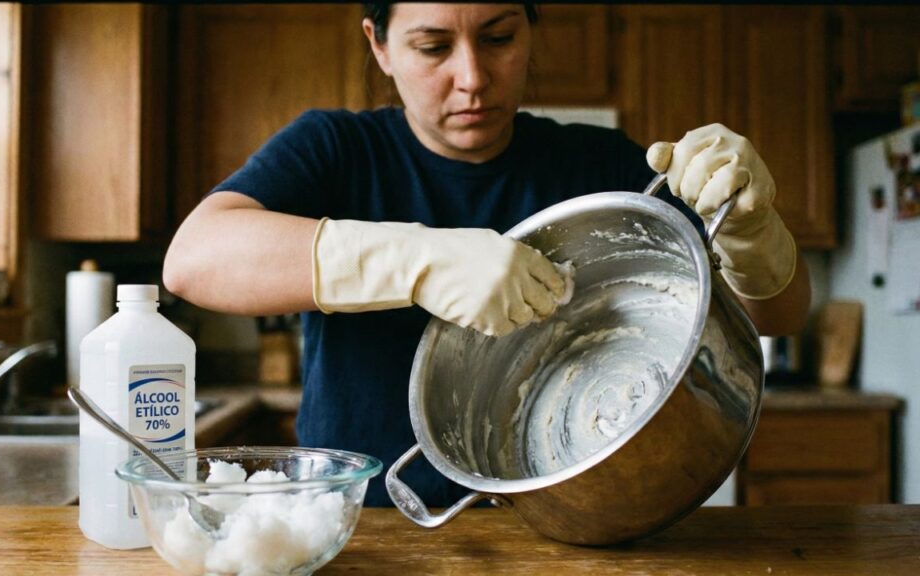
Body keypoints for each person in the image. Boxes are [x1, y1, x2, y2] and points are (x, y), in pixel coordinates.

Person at [163, 3, 811, 506]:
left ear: (532, 31)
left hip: (584, 523)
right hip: (369, 529)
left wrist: (753, 234)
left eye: (499, 38)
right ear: (379, 45)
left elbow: (778, 315)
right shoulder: (337, 151)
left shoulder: (599, 164)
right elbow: (193, 259)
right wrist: (417, 261)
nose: (471, 77)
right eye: (433, 46)